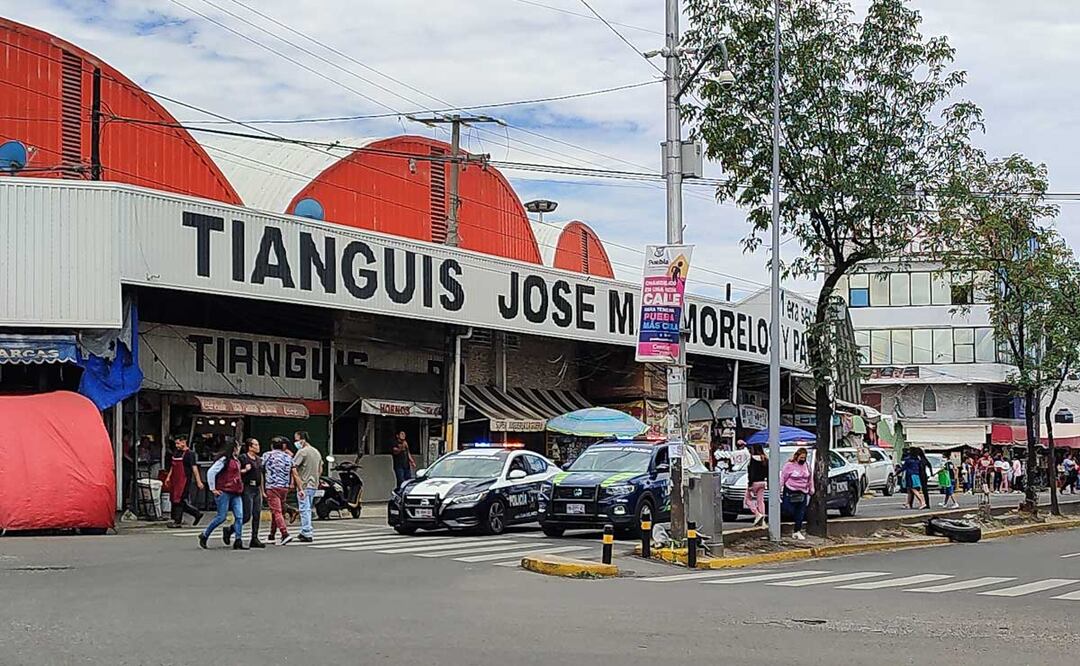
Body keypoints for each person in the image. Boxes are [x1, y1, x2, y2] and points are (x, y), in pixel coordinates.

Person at [199, 443, 246, 550]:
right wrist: (213, 488)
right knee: (221, 517)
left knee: (239, 516)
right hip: (225, 491)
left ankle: (238, 540)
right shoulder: (225, 460)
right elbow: (211, 472)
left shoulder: (235, 460)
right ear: (234, 448)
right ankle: (205, 534)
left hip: (236, 491)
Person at [263, 436, 302, 546]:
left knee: (277, 512)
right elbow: (293, 472)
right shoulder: (288, 457)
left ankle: (285, 534)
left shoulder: (267, 455)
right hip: (284, 487)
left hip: (272, 486)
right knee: (277, 510)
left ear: (272, 446)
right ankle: (271, 535)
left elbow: (260, 466)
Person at [163, 434, 203, 528]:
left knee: (179, 501)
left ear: (184, 442)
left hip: (184, 480)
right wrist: (168, 477)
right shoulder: (176, 452)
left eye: (178, 443)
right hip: (175, 480)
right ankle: (196, 514)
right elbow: (173, 467)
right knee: (175, 500)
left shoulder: (190, 454)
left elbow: (194, 468)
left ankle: (177, 521)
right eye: (176, 443)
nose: (176, 445)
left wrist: (198, 481)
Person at [292, 431, 323, 543]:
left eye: (296, 440)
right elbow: (320, 469)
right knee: (308, 508)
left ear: (302, 440)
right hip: (313, 485)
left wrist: (297, 484)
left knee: (304, 509)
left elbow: (293, 467)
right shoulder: (316, 452)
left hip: (304, 484)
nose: (295, 442)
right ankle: (305, 531)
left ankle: (307, 531)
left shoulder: (302, 452)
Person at [779, 447, 813, 540]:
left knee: (800, 512)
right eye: (801, 457)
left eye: (804, 458)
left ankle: (797, 531)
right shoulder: (789, 465)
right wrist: (779, 489)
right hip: (790, 490)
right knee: (787, 509)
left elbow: (810, 478)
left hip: (803, 491)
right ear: (797, 456)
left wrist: (811, 488)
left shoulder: (807, 465)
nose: (803, 460)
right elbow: (783, 478)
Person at [238, 438, 266, 549]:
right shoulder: (243, 458)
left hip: (256, 488)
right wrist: (244, 470)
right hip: (247, 487)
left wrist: (262, 490)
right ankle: (231, 530)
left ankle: (254, 538)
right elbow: (236, 472)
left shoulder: (259, 460)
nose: (258, 447)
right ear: (250, 447)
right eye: (256, 445)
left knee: (257, 514)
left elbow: (261, 475)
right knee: (246, 515)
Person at [744, 444, 768, 526]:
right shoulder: (765, 459)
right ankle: (762, 519)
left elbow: (751, 473)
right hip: (763, 482)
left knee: (747, 500)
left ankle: (757, 514)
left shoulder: (752, 459)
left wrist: (750, 484)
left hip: (754, 482)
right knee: (760, 501)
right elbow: (768, 472)